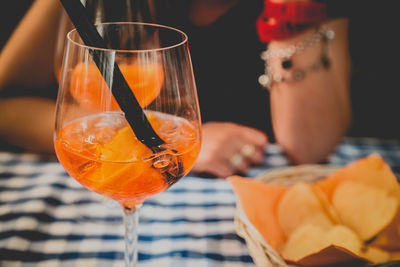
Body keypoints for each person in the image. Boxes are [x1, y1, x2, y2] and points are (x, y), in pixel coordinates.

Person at [0, 0, 351, 178]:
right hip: (112, 185)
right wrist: (167, 140)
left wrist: (288, 12)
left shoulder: (304, 9)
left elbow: (311, 146)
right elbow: (5, 103)